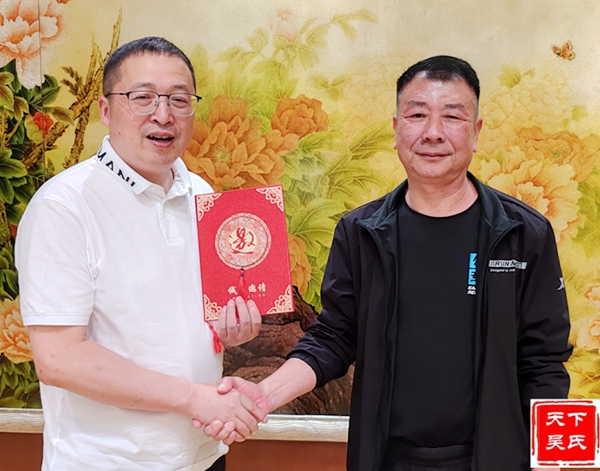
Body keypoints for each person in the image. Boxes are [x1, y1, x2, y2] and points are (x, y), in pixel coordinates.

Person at [205, 56, 572, 471]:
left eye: (452, 116)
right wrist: (264, 394)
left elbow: (545, 363)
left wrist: (548, 463)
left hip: (492, 461)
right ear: (397, 130)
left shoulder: (523, 233)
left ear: (476, 132)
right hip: (386, 460)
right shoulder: (360, 232)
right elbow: (333, 338)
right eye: (417, 115)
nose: (433, 132)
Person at [15, 37, 265, 471]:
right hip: (106, 462)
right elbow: (59, 360)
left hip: (202, 454)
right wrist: (193, 398)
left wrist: (230, 330)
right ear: (106, 110)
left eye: (179, 99)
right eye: (142, 97)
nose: (163, 114)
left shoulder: (202, 194)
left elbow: (185, 324)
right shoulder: (64, 206)